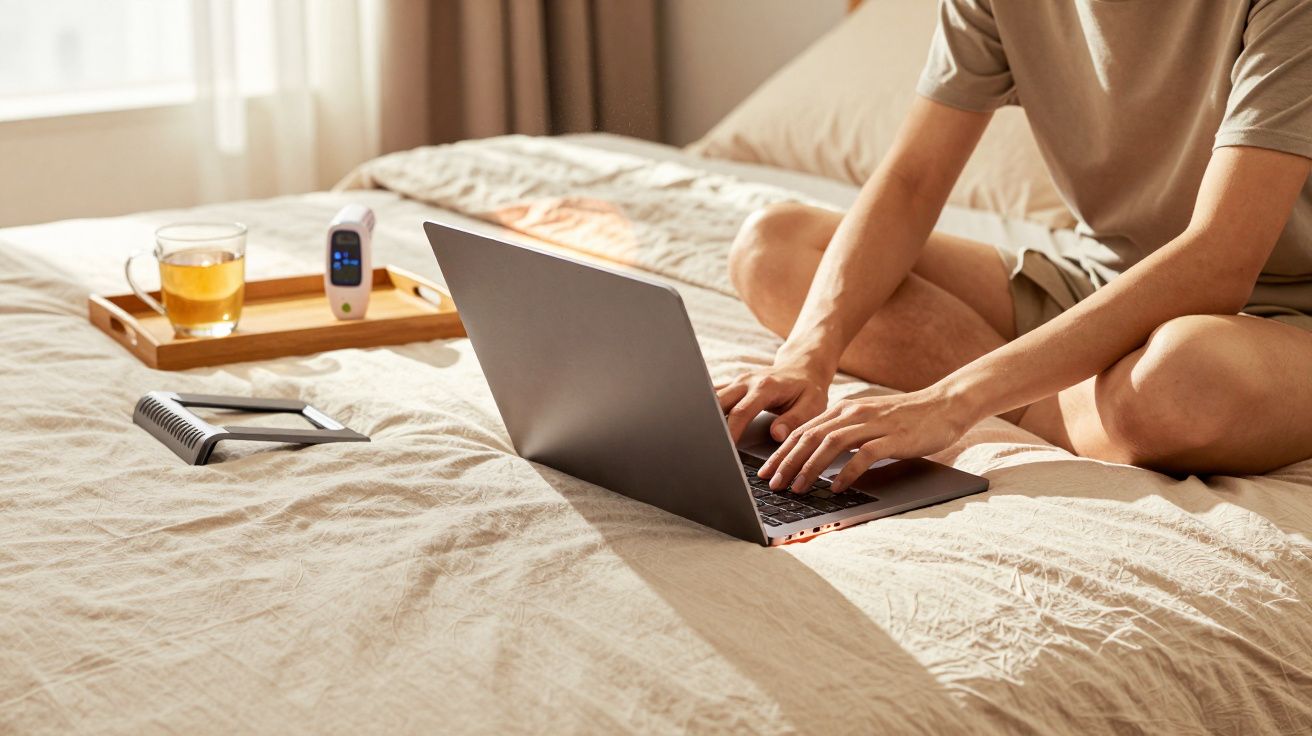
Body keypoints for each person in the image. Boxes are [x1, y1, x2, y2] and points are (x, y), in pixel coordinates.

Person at [716, 0, 1312, 494]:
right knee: (774, 247)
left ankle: (1039, 401)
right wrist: (808, 355)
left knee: (1184, 378)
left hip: (1278, 322)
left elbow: (1219, 260)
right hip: (1098, 283)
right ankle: (1054, 407)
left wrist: (951, 401)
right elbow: (910, 183)